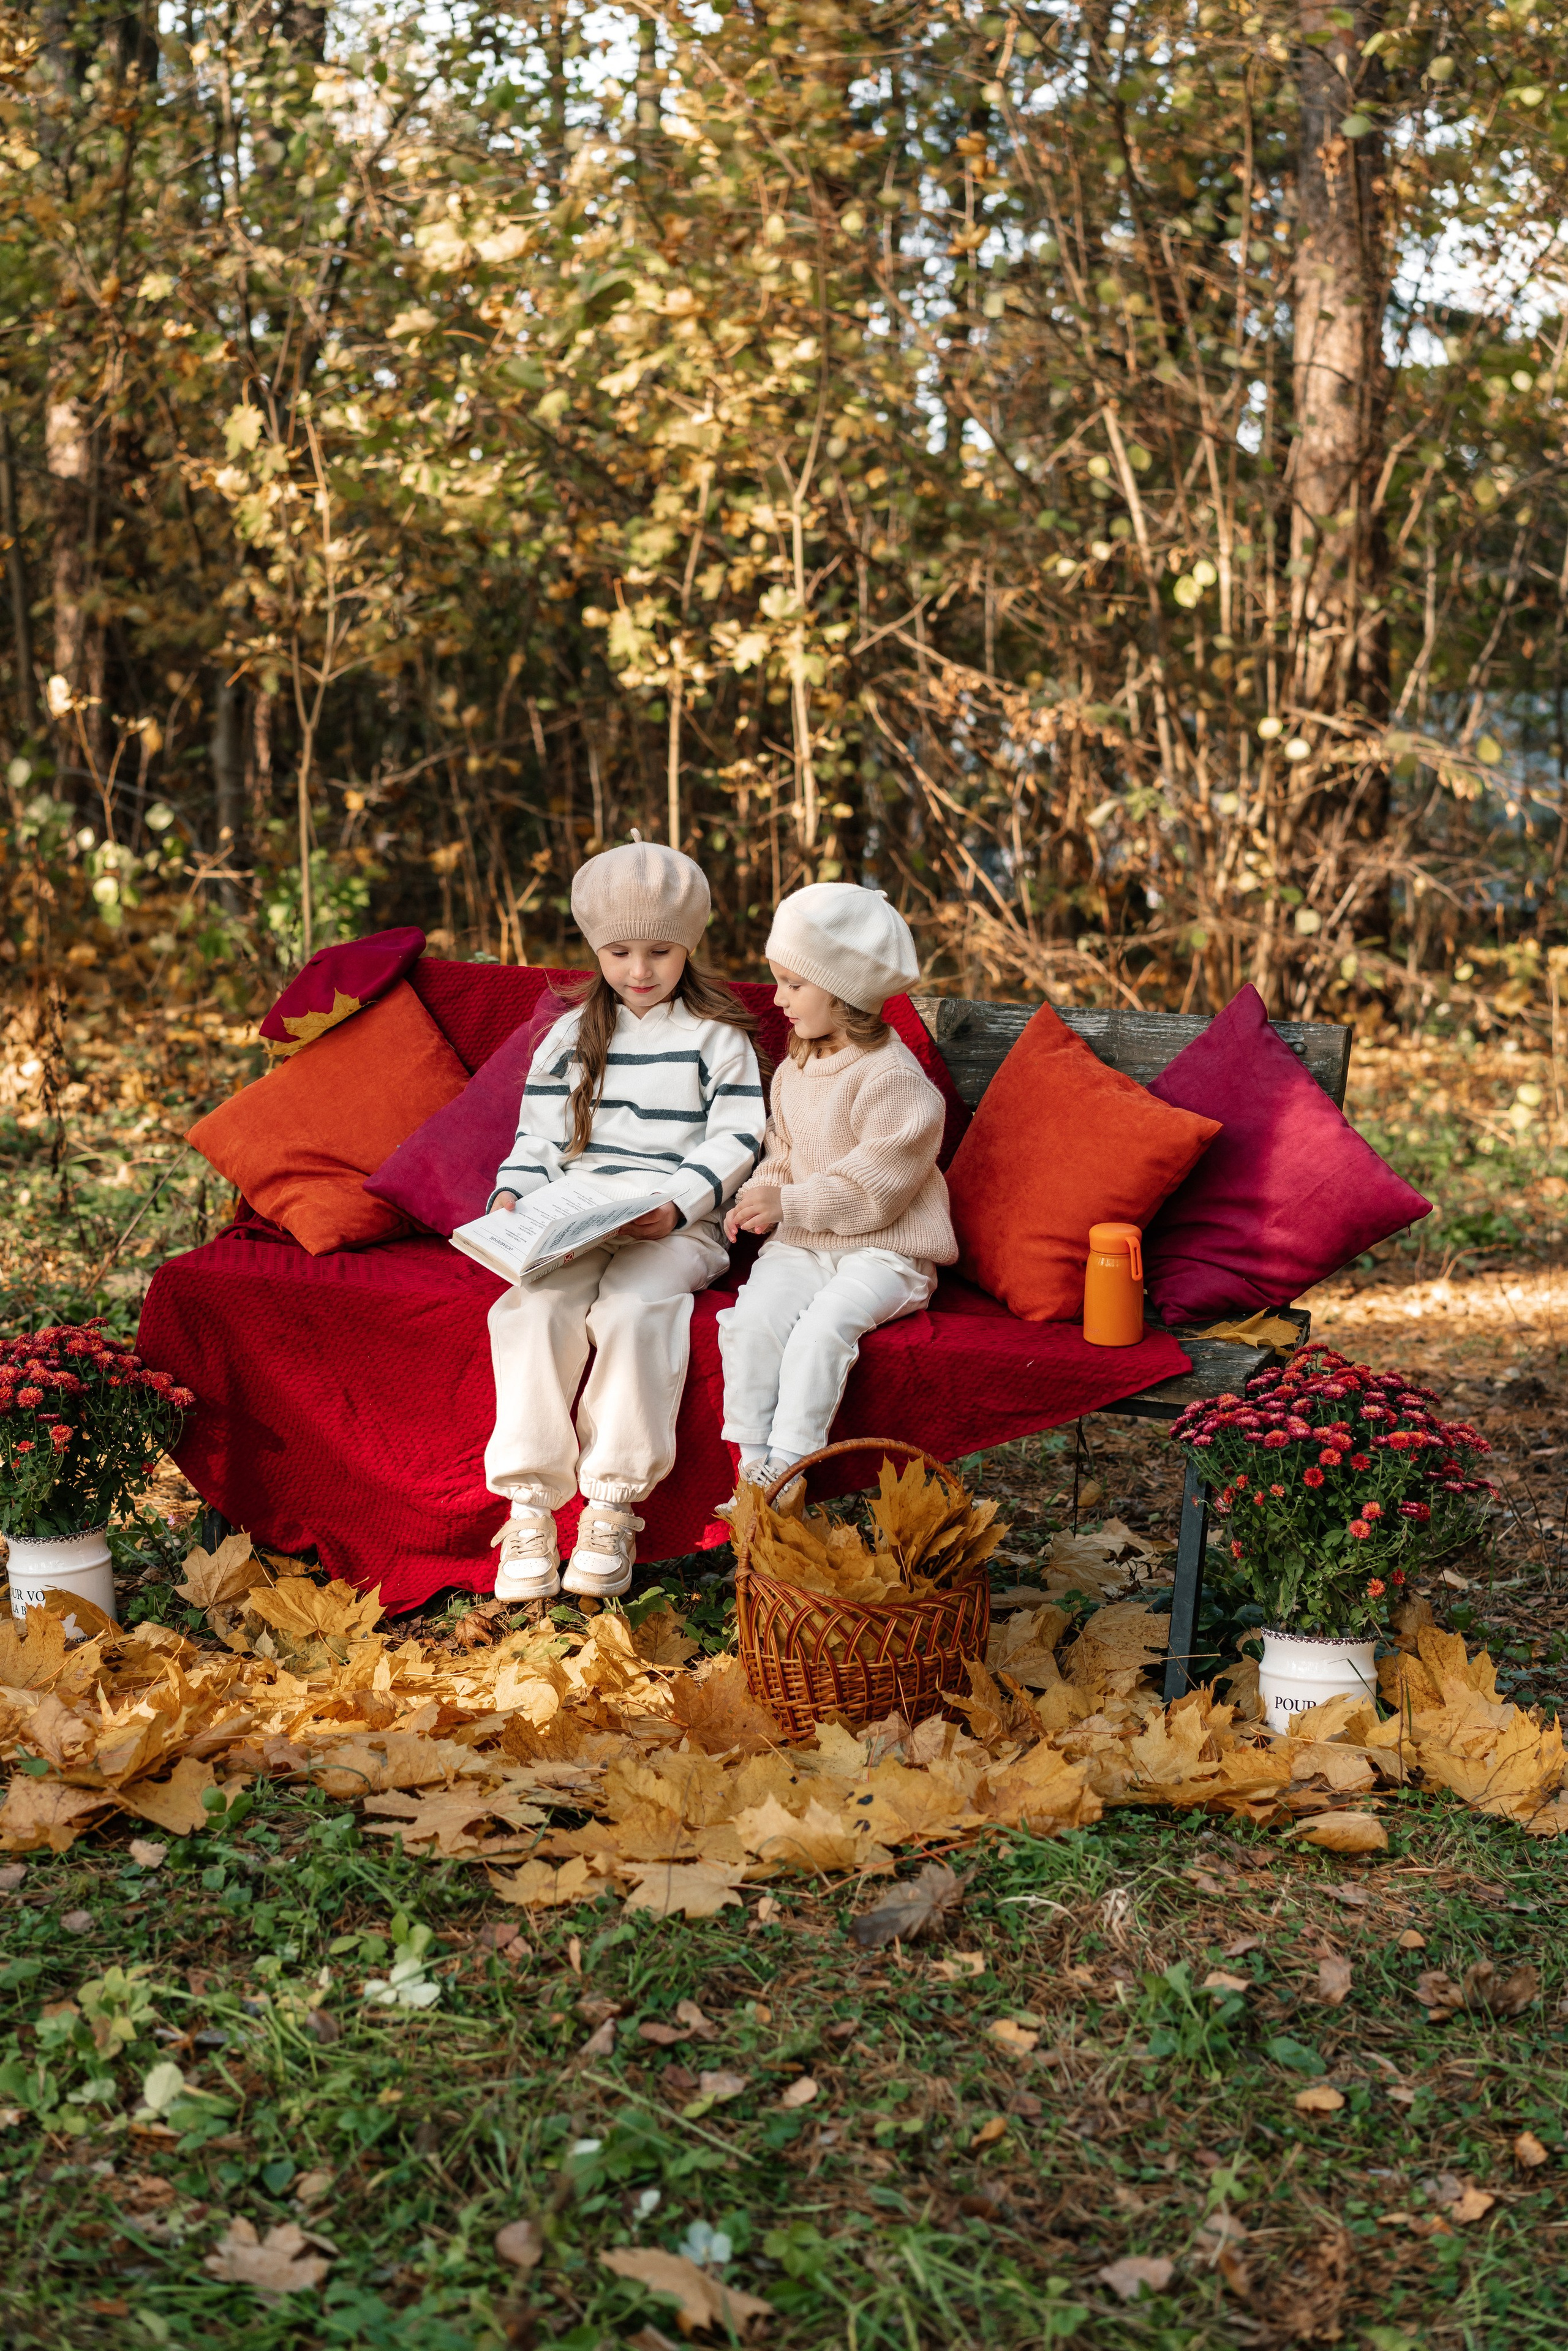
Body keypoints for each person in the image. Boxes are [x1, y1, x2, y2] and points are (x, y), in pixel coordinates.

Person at [485, 840, 764, 1599]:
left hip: (676, 1221)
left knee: (636, 1309)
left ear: (689, 947)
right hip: (577, 1213)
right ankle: (529, 1506)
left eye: (660, 951)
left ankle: (610, 1503)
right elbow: (538, 1140)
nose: (639, 970)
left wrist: (678, 1203)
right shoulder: (570, 1035)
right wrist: (512, 1200)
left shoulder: (718, 1039)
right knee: (529, 1306)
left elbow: (739, 1137)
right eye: (619, 951)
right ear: (594, 949)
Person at [717, 883, 956, 1497]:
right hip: (805, 1240)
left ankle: (792, 1464)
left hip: (887, 1249)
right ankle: (752, 1467)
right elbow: (785, 1150)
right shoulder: (798, 1066)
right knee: (752, 1319)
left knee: (822, 1328)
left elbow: (877, 1188)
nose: (778, 999)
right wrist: (761, 1195)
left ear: (843, 990)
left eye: (793, 984)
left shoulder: (894, 1081)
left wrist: (789, 1202)